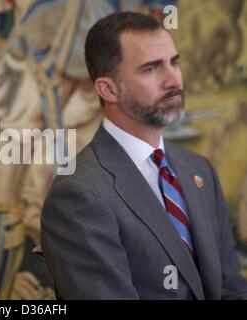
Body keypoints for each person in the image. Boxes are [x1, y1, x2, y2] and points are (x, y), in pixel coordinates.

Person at [41, 11, 247, 299]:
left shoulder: (198, 169)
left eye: (174, 62)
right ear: (108, 89)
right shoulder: (78, 195)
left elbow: (231, 289)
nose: (173, 79)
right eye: (151, 68)